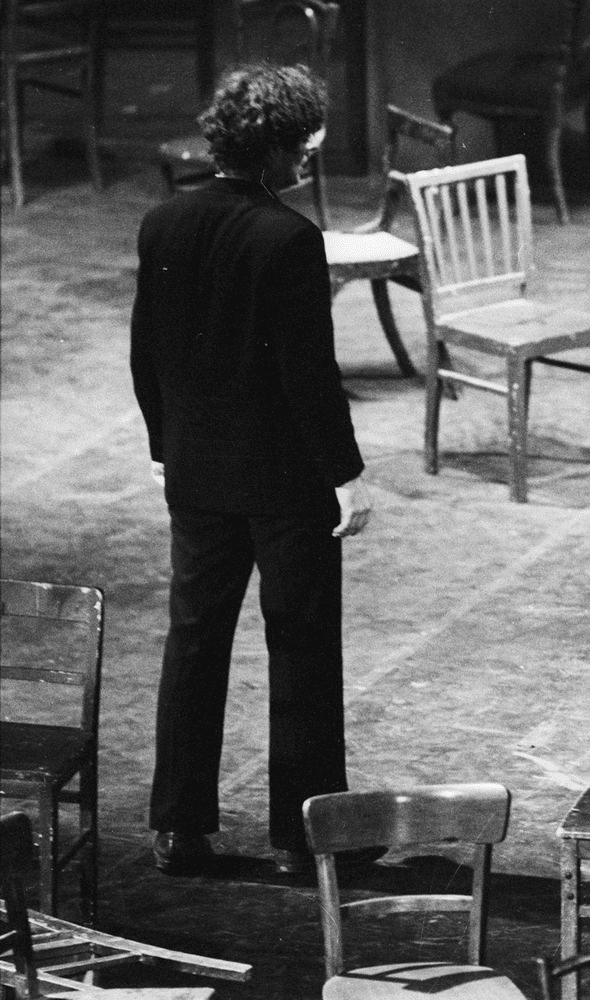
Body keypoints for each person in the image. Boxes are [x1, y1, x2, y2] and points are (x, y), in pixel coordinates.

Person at [130, 63, 374, 876]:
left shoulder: (163, 222)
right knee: (301, 645)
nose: (309, 158)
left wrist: (168, 449)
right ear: (271, 150)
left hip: (197, 474)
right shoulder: (290, 238)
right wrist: (346, 475)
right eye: (302, 145)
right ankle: (303, 840)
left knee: (195, 640)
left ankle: (179, 828)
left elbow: (146, 354)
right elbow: (308, 376)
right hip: (283, 481)